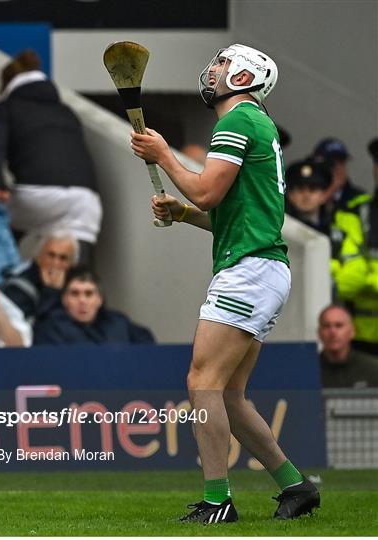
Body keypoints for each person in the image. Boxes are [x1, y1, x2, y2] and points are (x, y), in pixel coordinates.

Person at [131, 43, 319, 523]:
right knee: (228, 395)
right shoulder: (257, 123)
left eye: (222, 63)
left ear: (243, 76)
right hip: (263, 266)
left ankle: (218, 502)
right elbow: (227, 215)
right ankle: (296, 487)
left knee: (202, 382)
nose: (212, 70)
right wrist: (185, 213)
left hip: (250, 269)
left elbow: (207, 189)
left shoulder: (237, 120)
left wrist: (164, 154)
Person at [0, 49, 103, 266]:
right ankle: (82, 288)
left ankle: (0, 278)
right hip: (85, 200)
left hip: (36, 196)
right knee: (78, 269)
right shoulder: (67, 112)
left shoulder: (6, 107)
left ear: (7, 84)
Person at [330, 139, 378, 355]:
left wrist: (367, 276)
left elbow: (354, 273)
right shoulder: (353, 211)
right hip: (357, 340)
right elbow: (342, 282)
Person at [33, 268, 155, 345]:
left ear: (100, 300)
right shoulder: (51, 328)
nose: (82, 300)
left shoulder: (119, 322)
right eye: (74, 294)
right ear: (64, 300)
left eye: (89, 294)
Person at [2, 231, 79, 321]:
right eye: (51, 255)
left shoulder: (77, 286)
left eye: (63, 258)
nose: (55, 263)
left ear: (72, 264)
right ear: (38, 257)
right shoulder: (18, 288)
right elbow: (41, 330)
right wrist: (51, 293)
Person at [318, 305, 378, 388]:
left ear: (352, 331)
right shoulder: (307, 371)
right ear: (319, 333)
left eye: (339, 325)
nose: (332, 332)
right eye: (326, 326)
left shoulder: (373, 369)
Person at [312, 137, 367, 216]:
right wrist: (329, 191)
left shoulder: (360, 198)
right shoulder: (303, 189)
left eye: (341, 162)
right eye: (331, 163)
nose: (337, 168)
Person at [285, 158, 332, 235]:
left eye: (313, 189)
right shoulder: (278, 228)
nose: (306, 196)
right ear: (290, 195)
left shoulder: (334, 233)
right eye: (300, 189)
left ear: (324, 196)